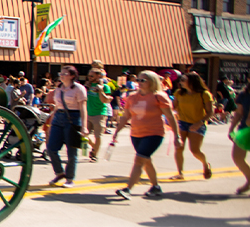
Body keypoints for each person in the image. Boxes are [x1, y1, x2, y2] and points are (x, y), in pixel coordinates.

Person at [113, 71, 181, 200]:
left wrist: (177, 136)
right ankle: (155, 187)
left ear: (152, 82)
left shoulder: (159, 96)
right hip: (136, 133)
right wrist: (117, 131)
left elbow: (170, 117)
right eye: (138, 80)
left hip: (154, 133)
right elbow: (126, 116)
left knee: (139, 159)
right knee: (146, 161)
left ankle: (128, 189)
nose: (139, 83)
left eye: (143, 80)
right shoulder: (132, 97)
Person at [46, 66, 89, 188]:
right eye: (61, 73)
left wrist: (84, 126)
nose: (62, 75)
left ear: (72, 76)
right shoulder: (58, 89)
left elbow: (83, 108)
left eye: (65, 74)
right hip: (59, 117)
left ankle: (70, 178)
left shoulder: (79, 89)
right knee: (51, 148)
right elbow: (57, 106)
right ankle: (59, 172)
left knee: (71, 151)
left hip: (73, 118)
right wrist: (51, 122)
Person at [170, 72, 214, 180]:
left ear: (192, 81)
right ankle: (180, 173)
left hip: (197, 123)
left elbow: (210, 112)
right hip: (182, 122)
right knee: (179, 148)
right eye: (181, 80)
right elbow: (174, 107)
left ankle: (205, 164)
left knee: (195, 150)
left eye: (183, 80)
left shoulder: (204, 94)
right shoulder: (178, 93)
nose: (181, 82)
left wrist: (200, 122)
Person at [85, 68, 112, 162]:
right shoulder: (88, 85)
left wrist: (100, 90)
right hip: (88, 113)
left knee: (98, 136)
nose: (89, 78)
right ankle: (94, 147)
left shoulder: (105, 87)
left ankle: (94, 154)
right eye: (88, 76)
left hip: (99, 114)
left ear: (98, 76)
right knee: (83, 134)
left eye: (92, 76)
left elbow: (105, 100)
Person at [228, 82, 250, 195]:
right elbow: (239, 112)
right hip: (245, 129)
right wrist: (231, 128)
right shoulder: (244, 94)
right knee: (237, 157)